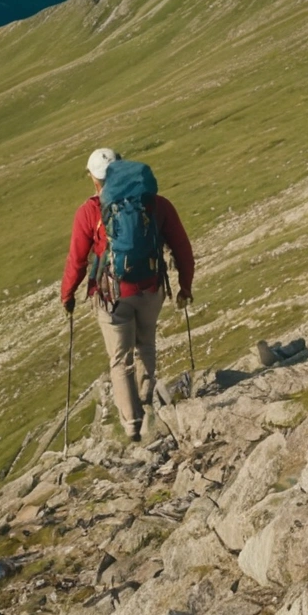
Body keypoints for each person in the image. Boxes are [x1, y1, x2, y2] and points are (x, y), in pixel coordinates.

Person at [61, 148, 195, 441]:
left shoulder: (89, 212)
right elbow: (183, 250)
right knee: (145, 345)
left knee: (120, 360)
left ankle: (132, 427)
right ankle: (148, 406)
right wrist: (185, 287)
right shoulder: (156, 204)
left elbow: (77, 260)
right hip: (150, 289)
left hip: (112, 298)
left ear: (95, 181)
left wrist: (67, 295)